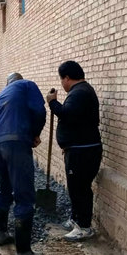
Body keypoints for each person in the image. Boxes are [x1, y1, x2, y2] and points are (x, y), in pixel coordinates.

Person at [0, 72, 46, 255]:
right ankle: (23, 252)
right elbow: (39, 110)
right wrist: (35, 133)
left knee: (4, 189)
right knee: (24, 194)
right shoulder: (27, 85)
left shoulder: (4, 94)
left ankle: (1, 234)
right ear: (19, 80)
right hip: (16, 142)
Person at [46, 61, 102, 242]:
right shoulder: (82, 92)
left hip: (83, 152)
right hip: (79, 149)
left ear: (67, 78)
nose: (62, 84)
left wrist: (53, 103)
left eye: (62, 80)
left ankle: (84, 227)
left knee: (80, 189)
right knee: (76, 187)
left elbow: (68, 115)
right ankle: (76, 219)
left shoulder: (79, 93)